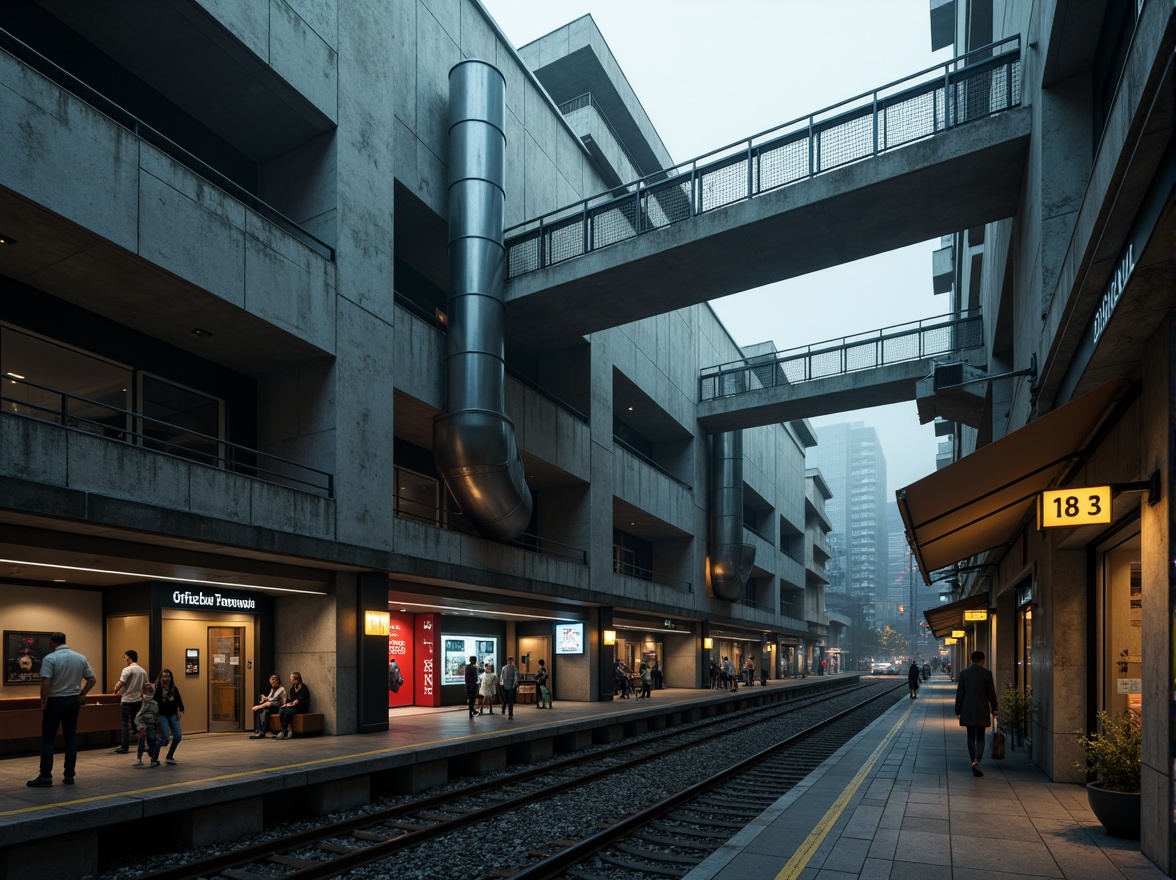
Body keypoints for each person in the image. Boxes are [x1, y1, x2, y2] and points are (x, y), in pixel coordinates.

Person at [27, 632, 95, 788]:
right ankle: (69, 775)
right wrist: (82, 695)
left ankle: (45, 776)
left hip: (55, 701)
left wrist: (43, 702)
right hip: (73, 701)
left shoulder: (50, 659)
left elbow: (46, 682)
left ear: (52, 642)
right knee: (70, 739)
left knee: (48, 739)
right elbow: (92, 679)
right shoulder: (80, 657)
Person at [955, 650, 999, 776]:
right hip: (982, 709)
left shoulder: (964, 673)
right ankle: (977, 762)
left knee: (970, 736)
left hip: (967, 708)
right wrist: (994, 708)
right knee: (981, 737)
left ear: (971, 659)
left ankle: (973, 761)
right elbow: (991, 693)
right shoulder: (987, 674)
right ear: (982, 660)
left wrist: (958, 710)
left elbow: (960, 694)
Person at [112, 649, 147, 754]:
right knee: (138, 723)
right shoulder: (143, 671)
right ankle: (142, 744)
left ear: (127, 657)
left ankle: (124, 746)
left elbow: (121, 683)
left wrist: (115, 690)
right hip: (138, 700)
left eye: (125, 657)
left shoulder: (127, 670)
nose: (124, 659)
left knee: (125, 724)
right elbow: (146, 686)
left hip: (127, 700)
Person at [154, 669, 184, 764]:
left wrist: (180, 710)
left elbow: (179, 702)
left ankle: (169, 756)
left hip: (172, 714)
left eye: (168, 677)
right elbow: (153, 703)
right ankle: (154, 756)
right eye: (164, 676)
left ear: (171, 678)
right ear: (160, 678)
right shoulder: (156, 690)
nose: (166, 679)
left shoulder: (174, 689)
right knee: (165, 739)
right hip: (162, 715)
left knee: (178, 736)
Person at [134, 683, 161, 767]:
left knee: (151, 739)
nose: (147, 695)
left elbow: (156, 715)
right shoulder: (140, 703)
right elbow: (137, 715)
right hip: (141, 724)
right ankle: (139, 758)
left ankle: (152, 756)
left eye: (150, 692)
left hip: (151, 724)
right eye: (146, 692)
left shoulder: (155, 704)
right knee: (141, 741)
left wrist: (158, 727)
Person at [250, 674, 286, 738]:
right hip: (272, 705)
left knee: (266, 709)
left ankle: (262, 731)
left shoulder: (281, 689)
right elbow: (269, 698)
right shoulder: (273, 689)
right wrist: (263, 699)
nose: (272, 685)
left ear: (277, 681)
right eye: (271, 683)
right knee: (257, 705)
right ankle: (259, 729)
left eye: (273, 683)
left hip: (279, 707)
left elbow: (274, 699)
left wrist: (266, 700)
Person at [276, 672, 310, 739]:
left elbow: (304, 697)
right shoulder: (292, 688)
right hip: (293, 706)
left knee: (288, 711)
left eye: (291, 678)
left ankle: (283, 731)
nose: (290, 680)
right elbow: (291, 700)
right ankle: (288, 731)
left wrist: (297, 701)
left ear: (296, 679)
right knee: (282, 710)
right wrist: (286, 704)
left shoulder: (303, 688)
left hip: (300, 707)